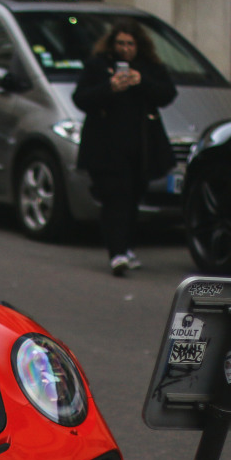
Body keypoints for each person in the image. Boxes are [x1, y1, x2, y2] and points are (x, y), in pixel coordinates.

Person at [72, 18, 177, 275]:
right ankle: (116, 252)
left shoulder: (148, 67)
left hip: (140, 147)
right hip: (106, 147)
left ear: (138, 45)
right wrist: (109, 88)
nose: (125, 49)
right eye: (120, 43)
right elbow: (81, 98)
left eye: (130, 44)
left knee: (132, 198)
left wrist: (142, 82)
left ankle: (127, 247)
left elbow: (167, 94)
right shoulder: (98, 66)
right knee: (114, 198)